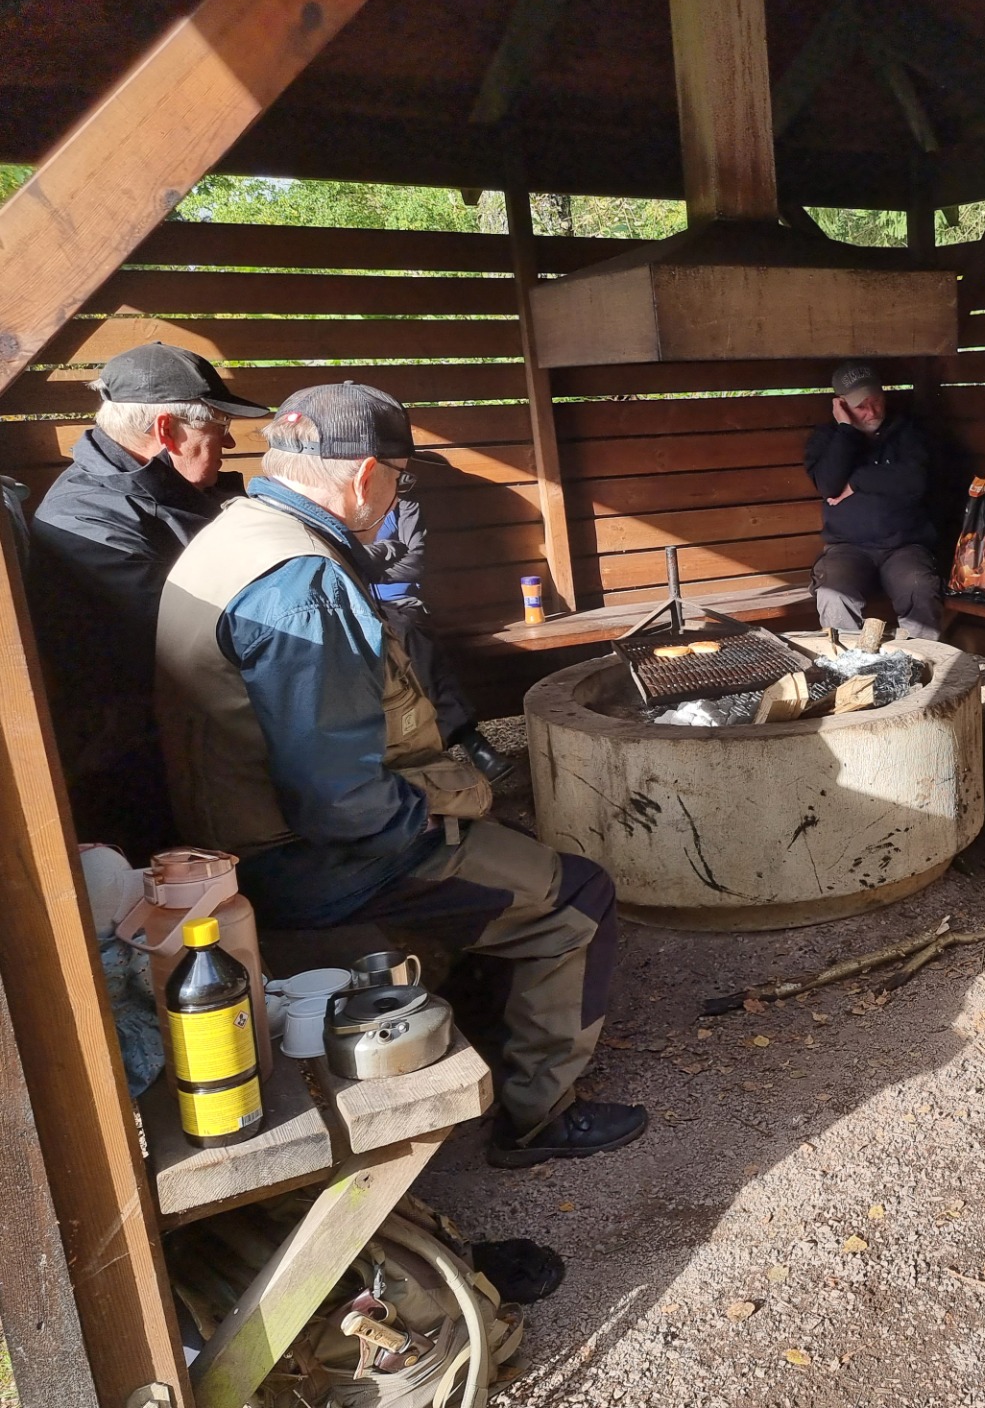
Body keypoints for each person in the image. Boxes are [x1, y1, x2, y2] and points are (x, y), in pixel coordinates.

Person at [154, 382, 647, 1169]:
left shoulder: (237, 532)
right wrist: (442, 813)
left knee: (498, 840)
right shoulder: (305, 586)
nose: (395, 497)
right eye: (398, 478)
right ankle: (539, 1116)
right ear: (363, 476)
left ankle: (491, 1021)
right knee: (577, 897)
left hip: (232, 838)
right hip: (305, 864)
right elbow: (341, 806)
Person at [28, 342, 269, 859]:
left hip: (193, 730)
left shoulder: (176, 489)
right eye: (219, 425)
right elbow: (182, 641)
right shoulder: (84, 522)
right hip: (143, 764)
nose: (229, 441)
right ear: (167, 430)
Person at [365, 487, 514, 782]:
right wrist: (388, 553)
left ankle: (456, 747)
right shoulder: (335, 505)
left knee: (409, 637)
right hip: (359, 606)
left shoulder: (405, 504)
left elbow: (414, 564)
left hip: (401, 605)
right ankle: (470, 741)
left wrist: (364, 565)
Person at [804, 361, 944, 640]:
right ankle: (846, 664)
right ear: (841, 404)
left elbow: (915, 480)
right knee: (833, 594)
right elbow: (829, 486)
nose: (872, 411)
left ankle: (921, 662)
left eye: (876, 401)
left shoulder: (907, 432)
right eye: (861, 406)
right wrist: (846, 431)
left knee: (920, 587)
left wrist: (856, 482)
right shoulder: (827, 439)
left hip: (904, 546)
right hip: (847, 549)